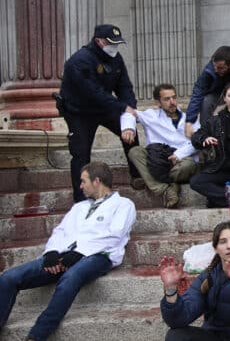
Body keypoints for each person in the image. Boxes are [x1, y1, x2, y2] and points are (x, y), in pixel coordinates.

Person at [0, 162, 136, 341]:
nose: (80, 186)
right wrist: (52, 253)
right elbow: (61, 231)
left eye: (83, 181)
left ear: (97, 181)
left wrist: (80, 253)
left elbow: (114, 236)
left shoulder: (124, 205)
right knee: (8, 278)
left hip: (100, 255)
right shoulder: (79, 207)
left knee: (70, 277)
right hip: (64, 255)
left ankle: (36, 335)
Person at [56, 24, 140, 202]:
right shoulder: (80, 61)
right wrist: (122, 107)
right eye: (111, 43)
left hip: (104, 107)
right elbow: (92, 93)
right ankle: (81, 198)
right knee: (81, 153)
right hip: (80, 112)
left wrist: (129, 111)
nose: (114, 47)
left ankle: (137, 174)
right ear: (98, 41)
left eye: (117, 43)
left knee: (131, 134)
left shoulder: (115, 58)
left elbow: (124, 87)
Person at [159, 220, 230, 341]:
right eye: (223, 242)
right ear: (215, 248)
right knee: (176, 335)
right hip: (215, 335)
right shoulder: (210, 275)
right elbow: (179, 319)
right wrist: (170, 288)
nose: (229, 246)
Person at [122, 83, 200, 209]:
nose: (172, 102)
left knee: (188, 165)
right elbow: (128, 112)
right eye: (167, 99)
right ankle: (166, 189)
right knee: (134, 152)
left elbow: (198, 141)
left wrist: (179, 154)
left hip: (181, 162)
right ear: (158, 102)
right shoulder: (151, 115)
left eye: (174, 98)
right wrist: (128, 128)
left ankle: (155, 180)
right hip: (158, 160)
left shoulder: (190, 118)